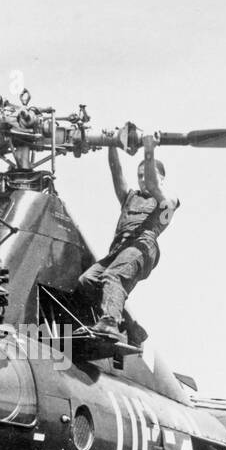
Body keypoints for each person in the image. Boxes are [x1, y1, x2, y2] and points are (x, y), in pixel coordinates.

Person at [78, 132, 179, 341]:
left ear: (162, 178)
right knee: (88, 280)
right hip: (120, 249)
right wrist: (111, 145)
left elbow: (153, 186)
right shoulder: (130, 197)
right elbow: (117, 173)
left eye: (146, 174)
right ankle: (130, 326)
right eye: (139, 175)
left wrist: (149, 149)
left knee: (112, 276)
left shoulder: (168, 203)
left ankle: (109, 323)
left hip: (142, 247)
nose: (142, 180)